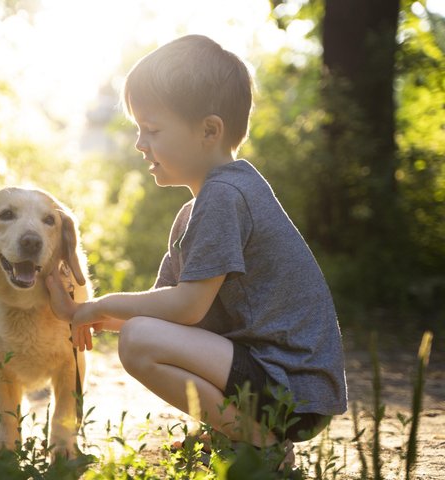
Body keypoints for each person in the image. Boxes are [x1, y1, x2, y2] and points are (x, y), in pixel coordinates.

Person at [46, 34, 347, 469]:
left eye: (152, 130)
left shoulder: (226, 195)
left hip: (291, 389)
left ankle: (258, 444)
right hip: (273, 380)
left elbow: (184, 309)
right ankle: (238, 433)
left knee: (138, 339)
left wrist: (102, 305)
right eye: (138, 130)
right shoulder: (198, 210)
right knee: (141, 334)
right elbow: (161, 319)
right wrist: (79, 312)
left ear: (209, 130)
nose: (139, 144)